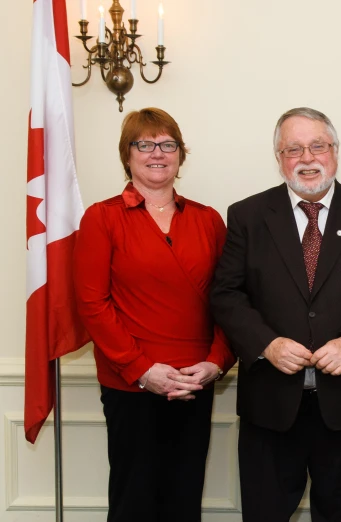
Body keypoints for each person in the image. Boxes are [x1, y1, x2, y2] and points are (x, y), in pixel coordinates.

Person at [210, 107, 341, 522]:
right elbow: (226, 294)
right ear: (279, 157)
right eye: (293, 148)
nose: (307, 157)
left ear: (334, 151)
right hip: (269, 404)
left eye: (317, 145)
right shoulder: (247, 215)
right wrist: (267, 344)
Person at [73, 107, 236, 522]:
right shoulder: (102, 217)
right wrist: (143, 370)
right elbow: (92, 303)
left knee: (183, 499)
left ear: (181, 155)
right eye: (144, 144)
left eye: (168, 144)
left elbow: (230, 300)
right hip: (131, 383)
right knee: (135, 500)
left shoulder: (208, 220)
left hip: (193, 380)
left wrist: (215, 363)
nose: (157, 153)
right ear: (127, 155)